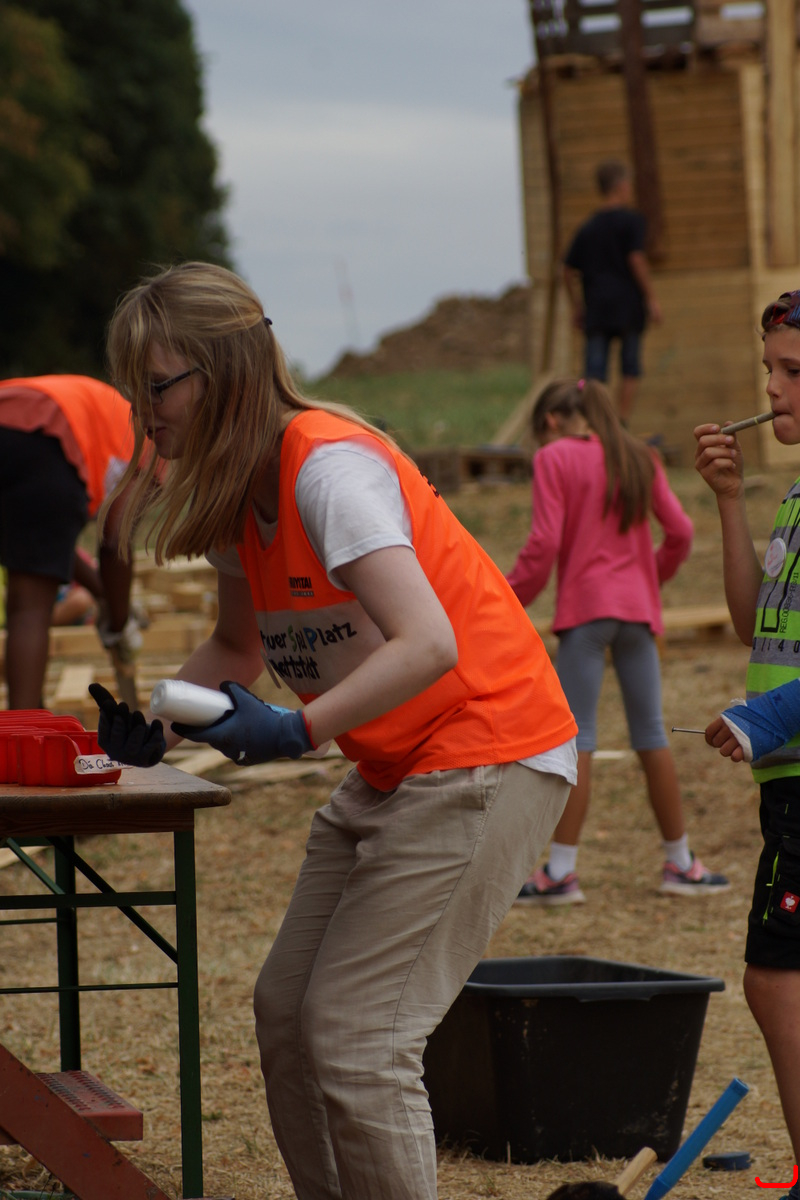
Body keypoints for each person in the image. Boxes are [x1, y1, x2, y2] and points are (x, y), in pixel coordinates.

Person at [87, 260, 579, 1200]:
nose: (144, 415)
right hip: (399, 766)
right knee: (287, 1014)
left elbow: (429, 642)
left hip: (487, 750)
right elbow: (237, 647)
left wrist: (297, 729)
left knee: (359, 1037)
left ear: (222, 373)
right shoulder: (241, 495)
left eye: (155, 388)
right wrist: (152, 726)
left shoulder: (329, 469)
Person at [506, 377, 729, 905]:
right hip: (637, 613)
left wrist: (508, 598)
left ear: (552, 422)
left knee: (578, 739)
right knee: (651, 734)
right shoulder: (639, 456)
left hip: (586, 612)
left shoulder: (554, 458)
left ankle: (561, 873)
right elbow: (681, 532)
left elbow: (543, 542)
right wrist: (647, 579)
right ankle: (681, 864)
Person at [695, 288, 800, 1196]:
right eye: (770, 369)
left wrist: (765, 719)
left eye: (793, 372)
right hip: (787, 780)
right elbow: (748, 623)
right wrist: (730, 502)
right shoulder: (798, 493)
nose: (771, 391)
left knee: (775, 978)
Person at [0, 374, 143, 710]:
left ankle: (27, 716)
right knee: (30, 608)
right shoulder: (155, 445)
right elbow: (115, 542)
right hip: (47, 437)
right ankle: (25, 730)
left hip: (14, 418)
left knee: (26, 599)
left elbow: (48, 547)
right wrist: (119, 623)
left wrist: (103, 595)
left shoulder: (113, 417)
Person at [563, 159, 662, 425]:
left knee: (594, 372)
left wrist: (576, 306)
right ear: (621, 186)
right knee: (630, 367)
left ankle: (595, 423)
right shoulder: (632, 221)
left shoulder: (588, 227)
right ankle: (621, 423)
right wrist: (651, 298)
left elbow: (567, 270)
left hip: (596, 307)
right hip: (628, 306)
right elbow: (636, 259)